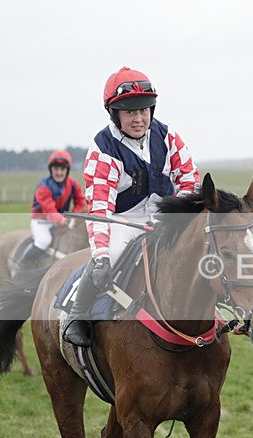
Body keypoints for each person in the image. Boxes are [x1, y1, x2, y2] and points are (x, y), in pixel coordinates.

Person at [62, 66, 201, 346]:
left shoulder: (168, 135)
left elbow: (189, 180)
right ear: (115, 114)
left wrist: (178, 217)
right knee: (111, 256)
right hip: (122, 221)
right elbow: (99, 209)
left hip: (165, 216)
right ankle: (78, 315)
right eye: (130, 112)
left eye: (144, 110)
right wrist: (100, 256)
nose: (139, 119)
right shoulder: (102, 149)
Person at [16, 150, 86, 271]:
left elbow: (80, 202)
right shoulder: (43, 187)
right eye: (56, 169)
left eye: (62, 169)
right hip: (42, 221)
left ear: (67, 170)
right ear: (51, 170)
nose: (59, 173)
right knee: (44, 241)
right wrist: (63, 220)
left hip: (62, 220)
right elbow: (49, 210)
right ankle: (23, 265)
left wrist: (73, 216)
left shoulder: (73, 184)